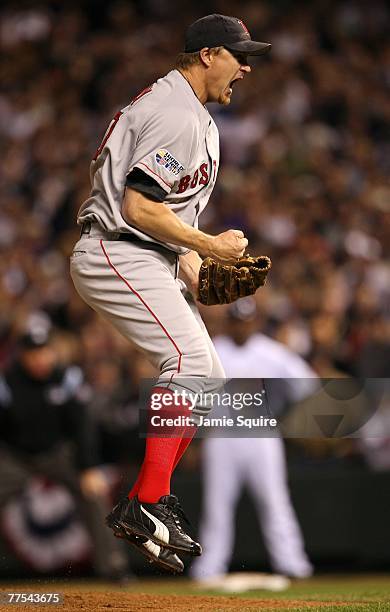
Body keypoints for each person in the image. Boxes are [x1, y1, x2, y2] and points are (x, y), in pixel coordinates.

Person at [70, 14, 271, 573]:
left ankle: (147, 501)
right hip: (115, 247)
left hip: (143, 253)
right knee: (185, 364)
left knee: (210, 376)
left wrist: (191, 269)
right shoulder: (175, 112)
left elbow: (162, 216)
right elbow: (137, 208)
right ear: (208, 54)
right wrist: (209, 245)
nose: (247, 66)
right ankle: (145, 504)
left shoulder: (190, 113)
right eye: (238, 55)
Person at [191, 297, 314, 582]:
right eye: (236, 321)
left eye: (245, 321)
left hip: (261, 437)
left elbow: (307, 384)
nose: (241, 327)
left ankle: (292, 563)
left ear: (254, 322)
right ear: (228, 322)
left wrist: (281, 411)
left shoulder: (271, 353)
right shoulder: (213, 351)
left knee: (275, 501)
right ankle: (209, 567)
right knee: (217, 505)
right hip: (221, 437)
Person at [0, 324, 129, 580]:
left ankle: (114, 567)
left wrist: (89, 466)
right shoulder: (6, 382)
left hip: (56, 454)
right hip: (15, 457)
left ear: (53, 351)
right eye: (33, 352)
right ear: (23, 355)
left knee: (94, 493)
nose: (40, 358)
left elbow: (82, 427)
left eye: (45, 351)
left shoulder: (68, 378)